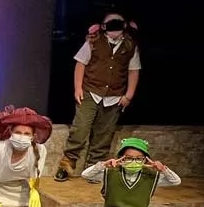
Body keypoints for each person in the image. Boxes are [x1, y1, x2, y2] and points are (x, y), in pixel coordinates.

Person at [55, 10, 141, 182]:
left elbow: (133, 70)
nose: (114, 30)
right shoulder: (94, 42)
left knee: (104, 134)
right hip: (90, 92)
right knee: (80, 129)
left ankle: (94, 168)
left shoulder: (130, 46)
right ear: (103, 27)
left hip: (114, 96)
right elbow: (81, 64)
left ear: (124, 26)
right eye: (110, 26)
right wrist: (77, 88)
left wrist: (128, 95)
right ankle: (67, 163)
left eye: (118, 25)